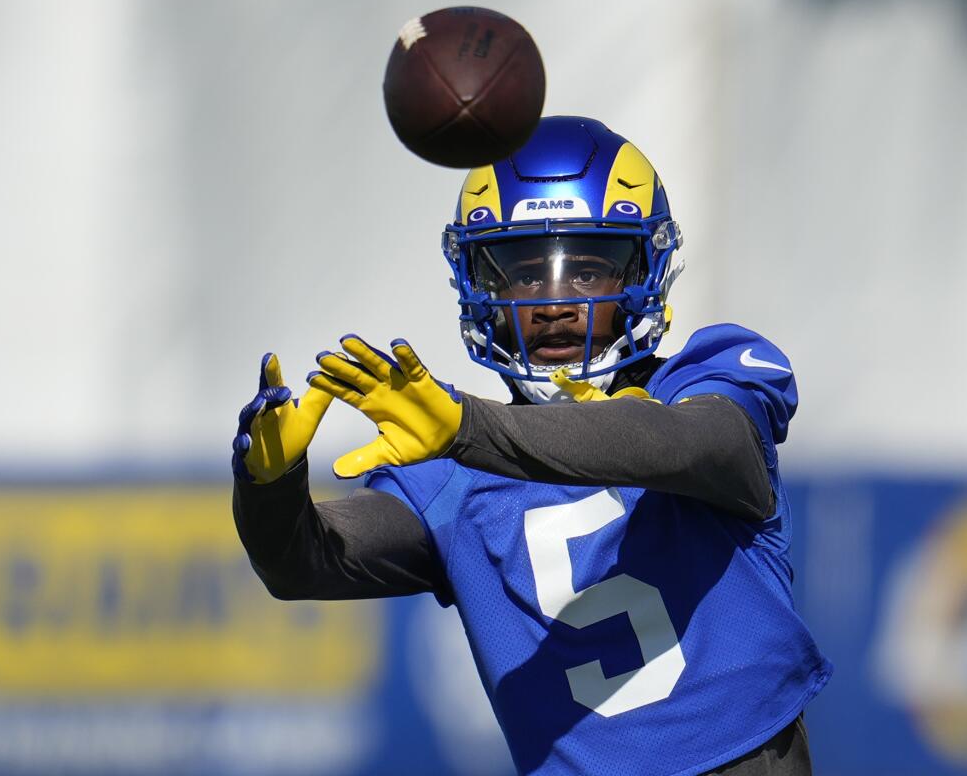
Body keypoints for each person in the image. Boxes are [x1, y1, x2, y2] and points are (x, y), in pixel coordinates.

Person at [231, 116, 832, 776]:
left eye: (586, 272)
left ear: (642, 271)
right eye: (522, 274)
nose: (550, 303)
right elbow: (301, 563)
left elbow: (685, 444)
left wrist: (472, 429)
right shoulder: (447, 472)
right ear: (481, 290)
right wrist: (270, 488)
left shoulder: (703, 379)